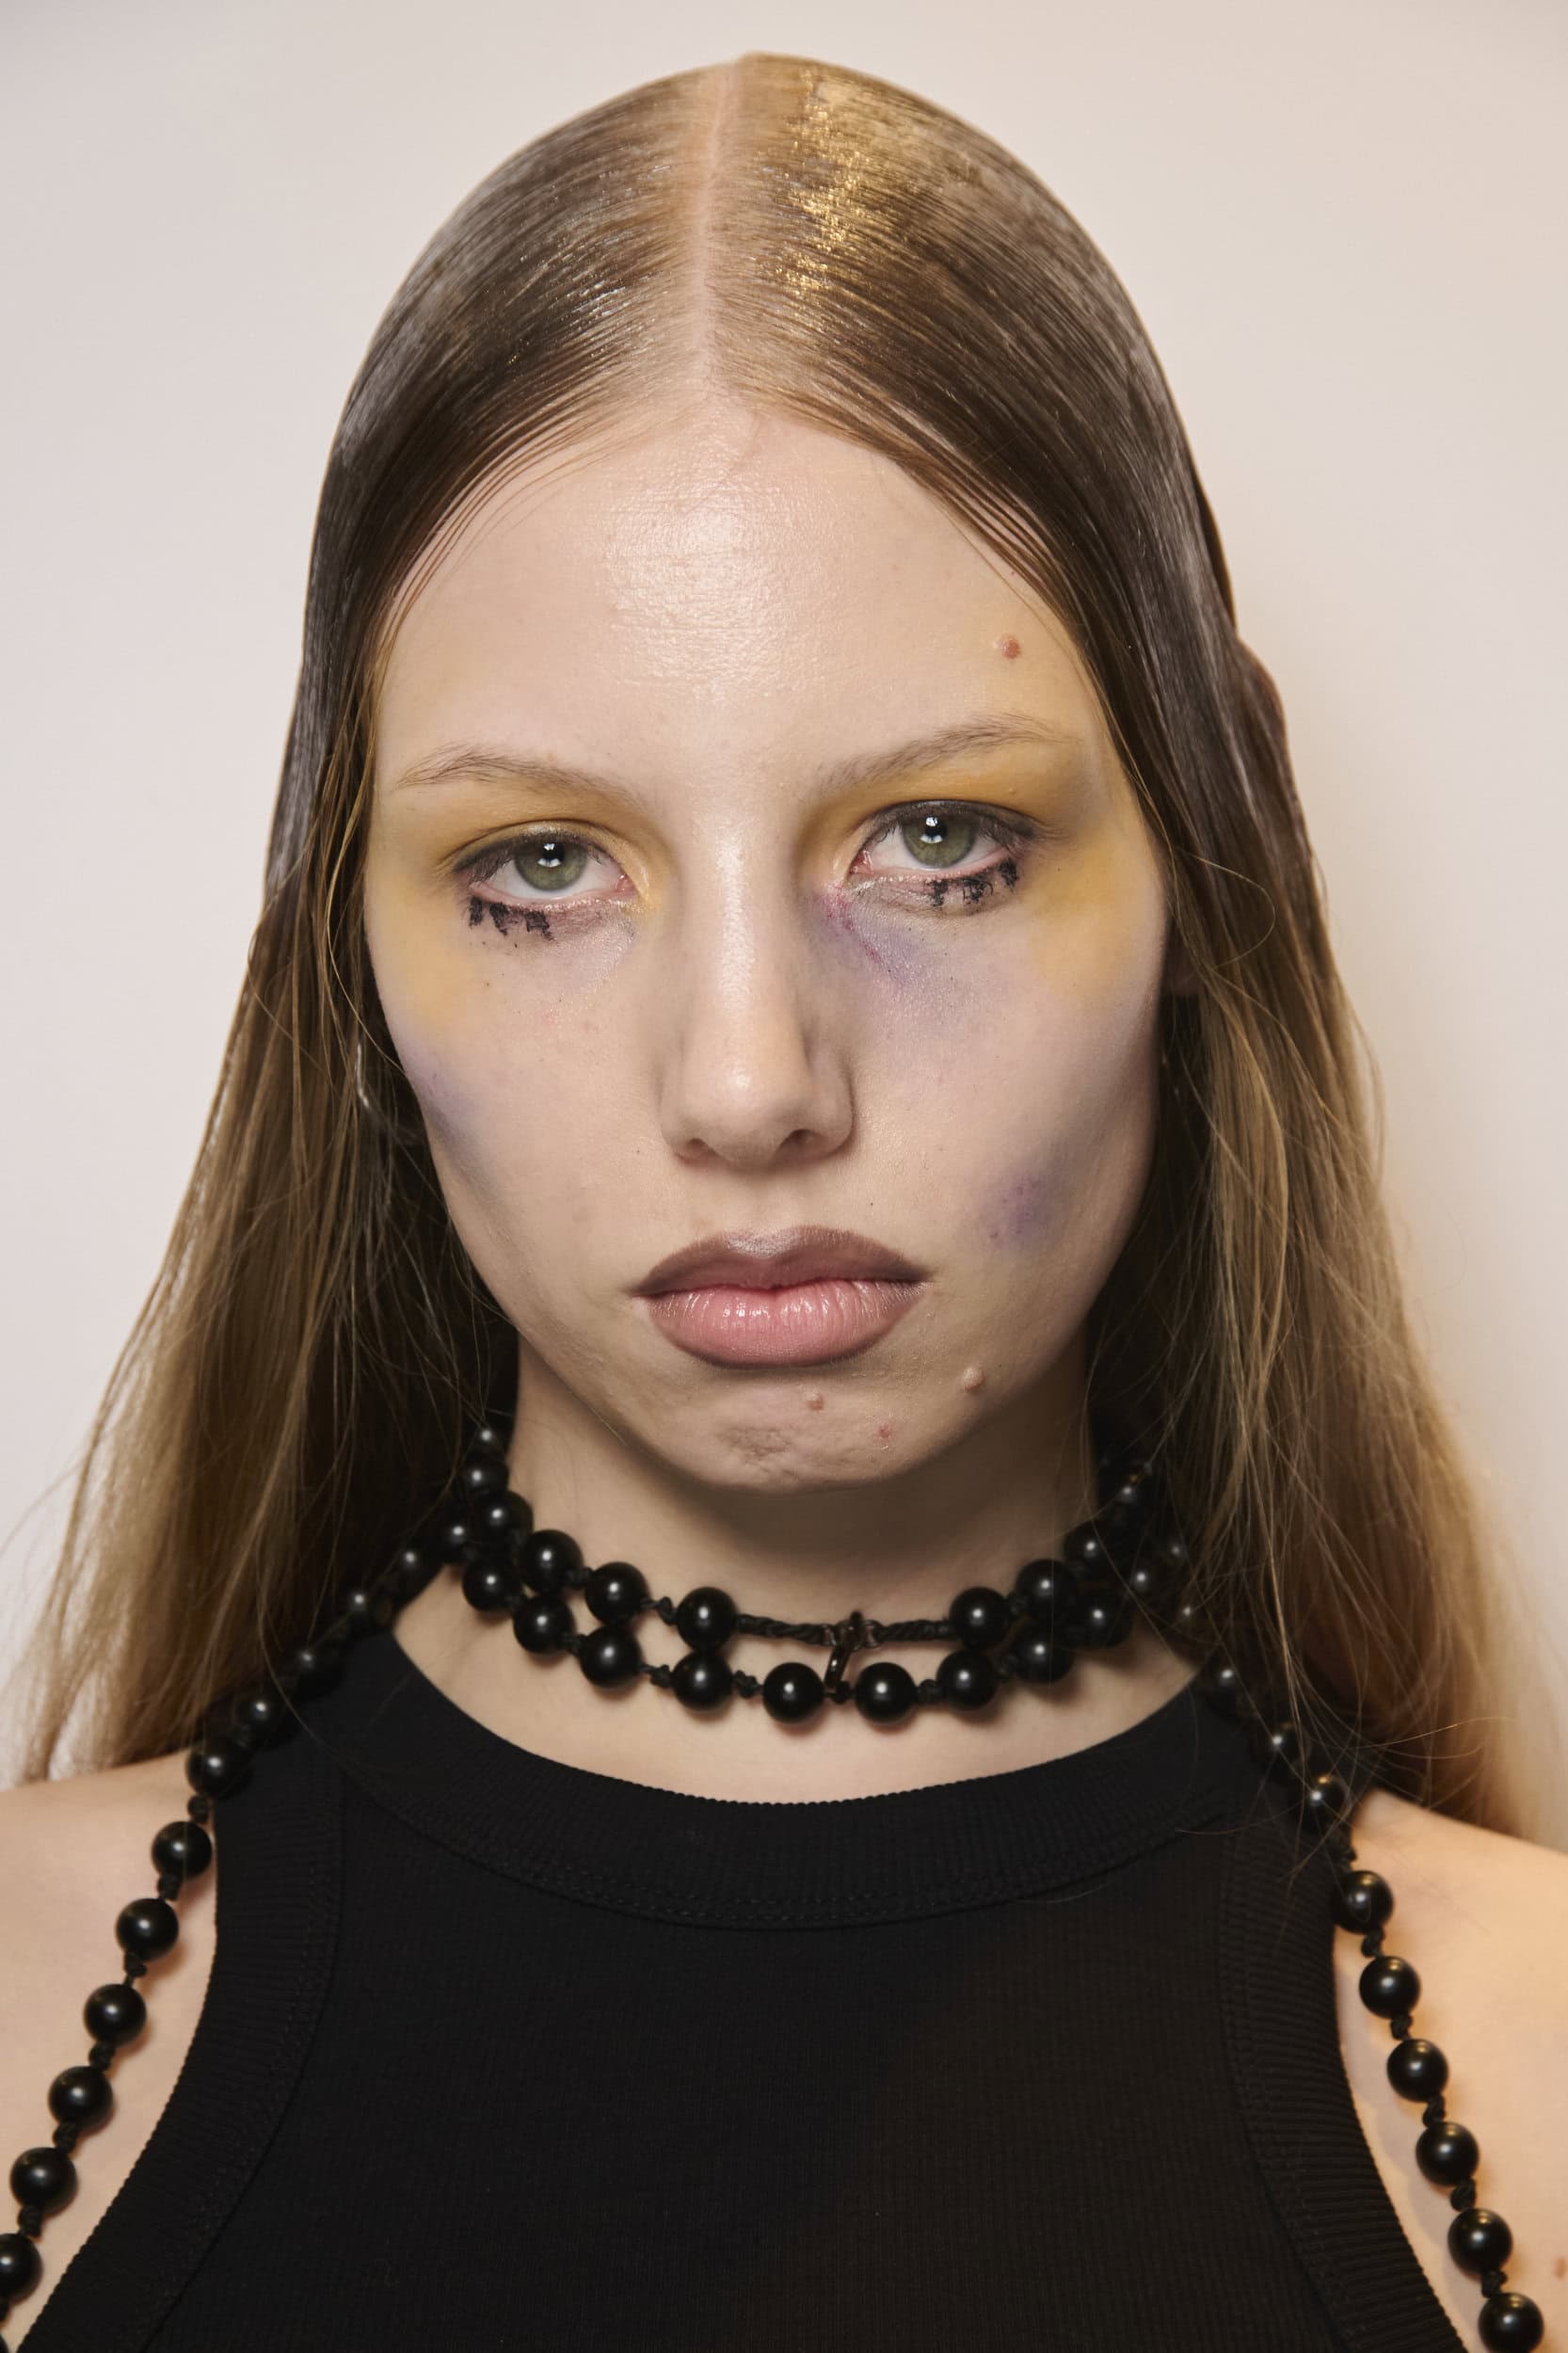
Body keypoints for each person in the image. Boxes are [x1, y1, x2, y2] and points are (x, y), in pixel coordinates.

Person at [0, 49, 1562, 2353]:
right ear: (349, 938)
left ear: (1204, 869)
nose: (747, 1085)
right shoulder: (28, 2015)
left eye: (937, 841)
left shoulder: (1528, 2083)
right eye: (543, 864)